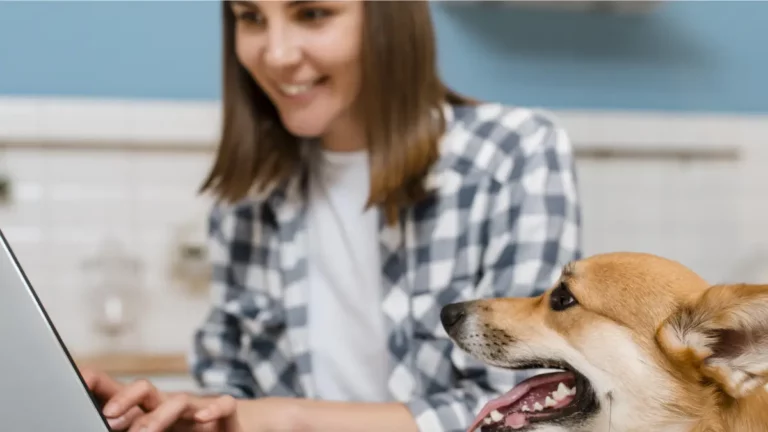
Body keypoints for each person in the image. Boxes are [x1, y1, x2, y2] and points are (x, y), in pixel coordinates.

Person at [80, 1, 582, 431]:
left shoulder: (513, 154)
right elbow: (235, 392)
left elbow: (529, 407)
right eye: (251, 17)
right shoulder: (247, 199)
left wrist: (287, 419)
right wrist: (186, 416)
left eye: (312, 14)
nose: (276, 55)